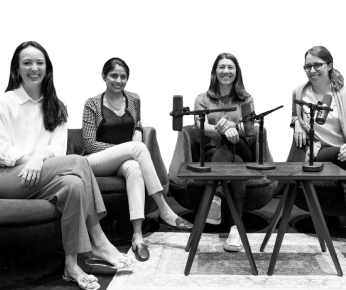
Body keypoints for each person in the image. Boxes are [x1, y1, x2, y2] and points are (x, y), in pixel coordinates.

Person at [0, 40, 134, 290]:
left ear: (47, 68)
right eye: (26, 63)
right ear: (17, 69)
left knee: (73, 184)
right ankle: (98, 239)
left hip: (43, 174)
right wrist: (29, 160)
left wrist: (39, 160)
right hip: (8, 176)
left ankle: (71, 266)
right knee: (78, 162)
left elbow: (57, 149)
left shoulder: (58, 104)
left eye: (39, 62)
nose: (33, 68)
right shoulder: (4, 102)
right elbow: (2, 150)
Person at [82, 56, 193, 262]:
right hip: (94, 161)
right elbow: (89, 144)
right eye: (113, 76)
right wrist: (127, 148)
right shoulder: (92, 103)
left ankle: (138, 237)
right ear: (103, 77)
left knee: (134, 168)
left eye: (123, 77)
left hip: (125, 161)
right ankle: (165, 209)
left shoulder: (134, 98)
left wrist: (139, 131)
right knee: (136, 150)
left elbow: (138, 121)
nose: (118, 80)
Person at [193, 52, 257, 252]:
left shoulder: (247, 98)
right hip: (213, 151)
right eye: (221, 67)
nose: (226, 71)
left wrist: (231, 129)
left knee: (231, 145)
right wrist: (225, 129)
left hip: (242, 147)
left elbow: (249, 130)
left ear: (237, 72)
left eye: (230, 67)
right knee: (234, 163)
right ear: (214, 72)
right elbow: (199, 127)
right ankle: (236, 230)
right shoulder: (202, 99)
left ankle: (216, 195)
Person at [291, 45, 346, 173]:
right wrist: (298, 122)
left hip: (342, 147)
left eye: (317, 65)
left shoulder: (343, 93)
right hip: (318, 150)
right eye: (308, 66)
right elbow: (294, 115)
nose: (312, 70)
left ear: (330, 65)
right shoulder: (298, 92)